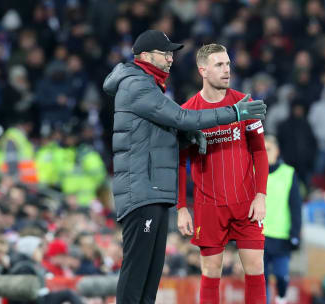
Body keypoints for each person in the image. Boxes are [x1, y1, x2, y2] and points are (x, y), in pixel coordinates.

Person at [102, 31, 266, 304]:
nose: (170, 58)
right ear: (145, 56)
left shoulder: (149, 86)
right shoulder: (137, 85)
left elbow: (168, 129)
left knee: (151, 273)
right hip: (142, 189)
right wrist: (234, 114)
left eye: (171, 53)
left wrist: (185, 135)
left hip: (153, 190)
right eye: (164, 53)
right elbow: (179, 117)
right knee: (137, 272)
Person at [176, 43, 269, 304]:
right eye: (219, 65)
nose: (227, 69)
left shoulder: (245, 104)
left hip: (246, 204)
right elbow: (179, 163)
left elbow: (260, 152)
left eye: (228, 64)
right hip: (209, 206)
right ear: (203, 70)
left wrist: (260, 195)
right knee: (211, 273)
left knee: (255, 269)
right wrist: (181, 206)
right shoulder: (188, 112)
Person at [262, 135, 302, 304]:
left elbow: (295, 206)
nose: (265, 153)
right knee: (259, 278)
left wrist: (295, 233)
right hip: (258, 235)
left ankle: (281, 298)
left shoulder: (288, 173)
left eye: (269, 149)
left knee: (281, 276)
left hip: (281, 235)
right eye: (262, 149)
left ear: (277, 151)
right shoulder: (253, 171)